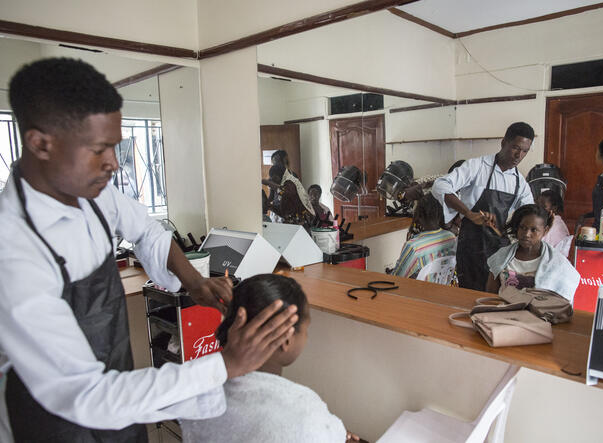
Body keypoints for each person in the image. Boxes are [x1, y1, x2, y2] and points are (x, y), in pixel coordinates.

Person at [0, 58, 299, 442]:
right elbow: (87, 395)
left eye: (115, 147)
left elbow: (146, 230)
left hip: (117, 389)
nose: (114, 164)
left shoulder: (93, 192)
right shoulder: (13, 253)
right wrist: (225, 364)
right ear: (41, 143)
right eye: (99, 149)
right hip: (51, 417)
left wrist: (194, 282)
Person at [181, 274, 358, 443]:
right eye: (306, 329)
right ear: (287, 340)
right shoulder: (302, 409)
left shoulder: (198, 389)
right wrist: (328, 430)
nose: (307, 336)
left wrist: (328, 429)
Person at [431, 122, 535, 291]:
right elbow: (440, 185)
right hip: (470, 247)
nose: (519, 155)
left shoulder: (519, 182)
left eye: (525, 151)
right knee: (468, 296)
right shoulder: (477, 167)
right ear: (503, 143)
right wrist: (468, 213)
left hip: (499, 251)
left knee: (493, 298)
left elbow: (530, 212)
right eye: (515, 148)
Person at [486, 204, 580, 303]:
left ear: (545, 230)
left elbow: (563, 300)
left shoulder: (557, 263)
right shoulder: (502, 256)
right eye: (523, 227)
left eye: (534, 230)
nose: (526, 234)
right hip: (501, 312)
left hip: (538, 315)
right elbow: (490, 295)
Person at [391, 193, 457, 280]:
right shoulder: (451, 238)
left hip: (418, 292)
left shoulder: (414, 247)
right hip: (442, 290)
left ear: (419, 216)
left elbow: (396, 279)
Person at [537, 189, 571, 254]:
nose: (538, 209)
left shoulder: (555, 225)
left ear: (554, 208)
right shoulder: (546, 220)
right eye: (537, 205)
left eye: (543, 207)